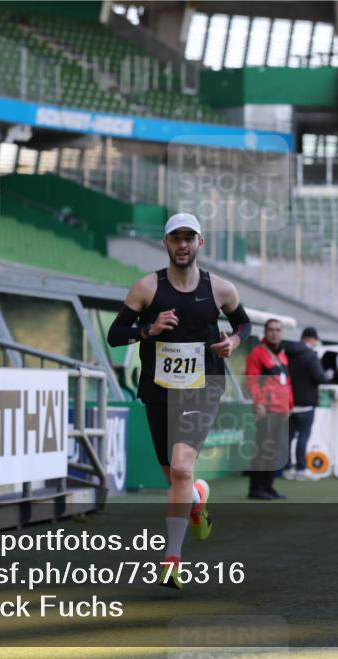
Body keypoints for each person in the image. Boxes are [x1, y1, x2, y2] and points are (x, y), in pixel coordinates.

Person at [106, 213, 251, 590]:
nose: (182, 244)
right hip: (160, 390)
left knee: (183, 469)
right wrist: (148, 330)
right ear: (165, 243)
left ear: (200, 243)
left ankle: (172, 559)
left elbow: (243, 324)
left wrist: (232, 343)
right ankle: (198, 497)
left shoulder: (220, 289)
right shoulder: (146, 288)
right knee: (175, 477)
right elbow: (114, 335)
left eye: (189, 238)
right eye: (175, 238)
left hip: (203, 387)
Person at [245, 318, 293, 500]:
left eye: (278, 330)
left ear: (282, 333)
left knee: (273, 450)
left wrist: (288, 406)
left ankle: (268, 487)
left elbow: (287, 384)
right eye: (271, 329)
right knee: (263, 450)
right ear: (265, 332)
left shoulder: (282, 355)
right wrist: (259, 404)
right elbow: (251, 380)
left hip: (281, 410)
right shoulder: (257, 353)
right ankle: (256, 489)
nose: (275, 332)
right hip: (266, 410)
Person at [278, 327, 329, 481]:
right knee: (303, 436)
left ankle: (286, 469)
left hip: (288, 402)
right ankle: (301, 469)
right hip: (306, 402)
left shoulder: (286, 352)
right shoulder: (311, 356)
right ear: (311, 339)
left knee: (288, 437)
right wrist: (328, 375)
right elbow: (319, 377)